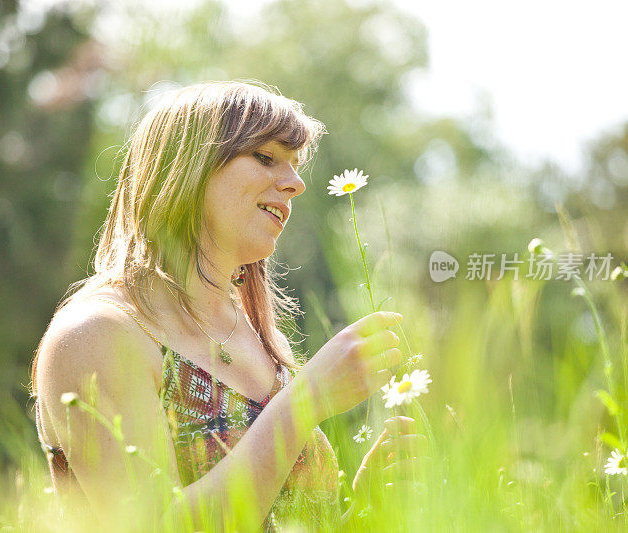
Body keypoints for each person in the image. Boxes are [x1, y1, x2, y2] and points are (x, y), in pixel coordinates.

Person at [29, 80, 423, 532]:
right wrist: (304, 401)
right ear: (188, 167)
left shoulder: (252, 332)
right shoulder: (97, 334)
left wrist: (363, 509)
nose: (295, 184)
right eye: (265, 157)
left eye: (295, 166)